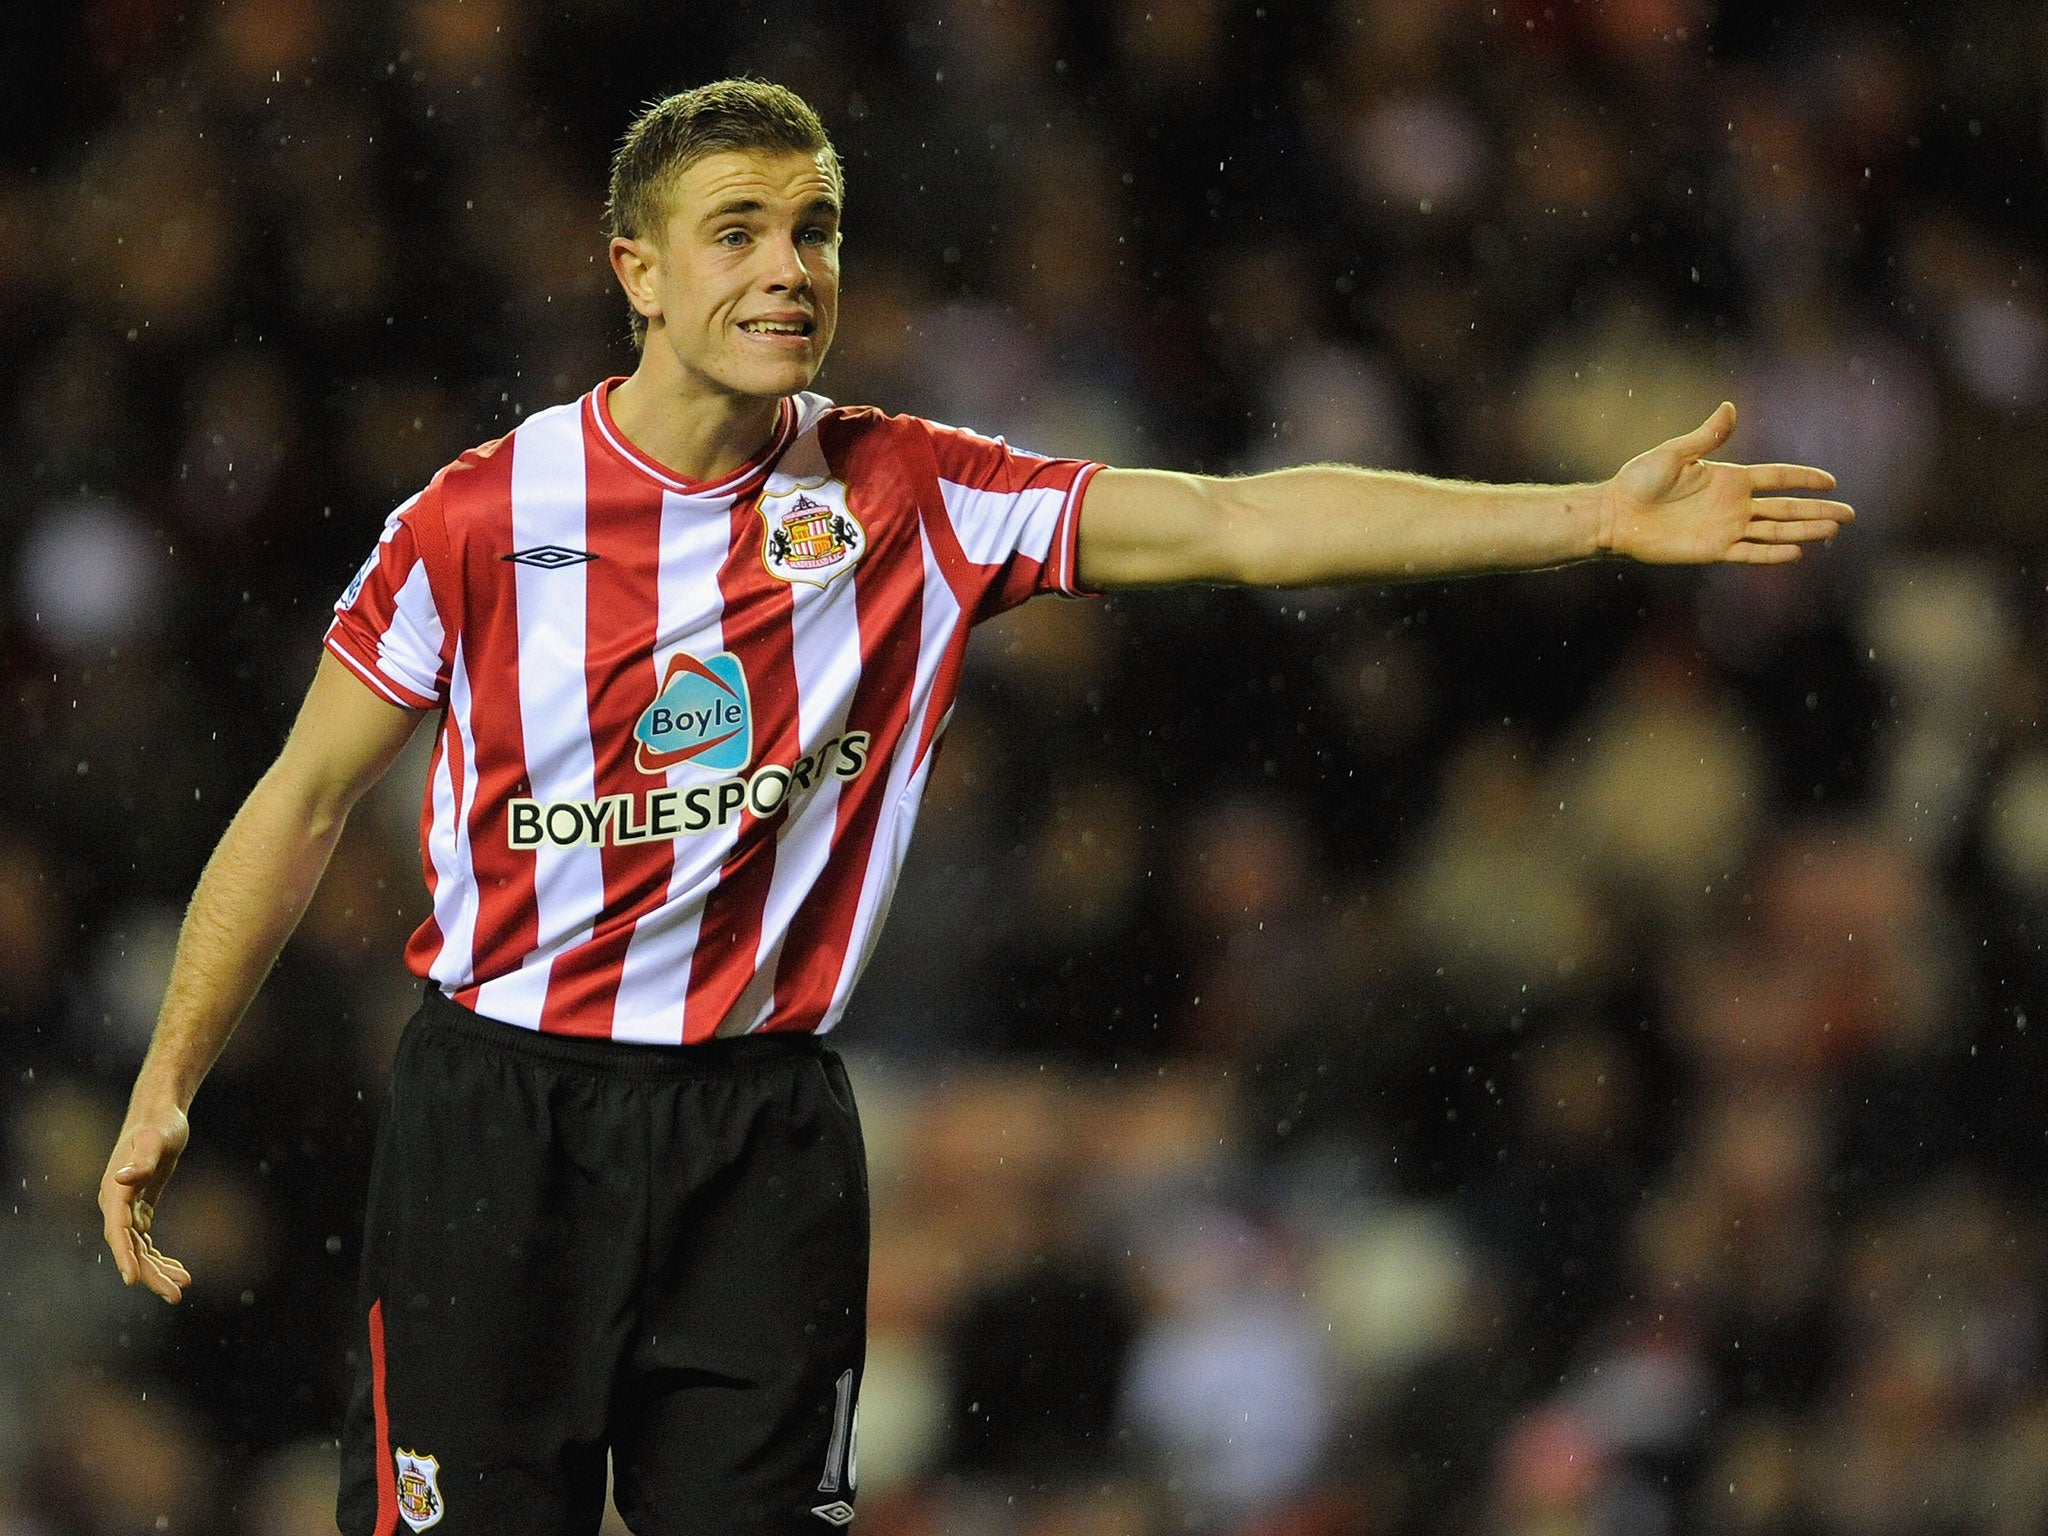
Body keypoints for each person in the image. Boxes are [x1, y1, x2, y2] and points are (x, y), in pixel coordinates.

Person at [95, 79, 1850, 1536]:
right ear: (633, 268)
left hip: (764, 1141)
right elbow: (304, 799)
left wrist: (1577, 519)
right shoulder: (480, 520)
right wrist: (170, 1076)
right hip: (503, 1124)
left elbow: (1237, 525)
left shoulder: (914, 497)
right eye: (741, 233)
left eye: (817, 230)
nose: (791, 269)